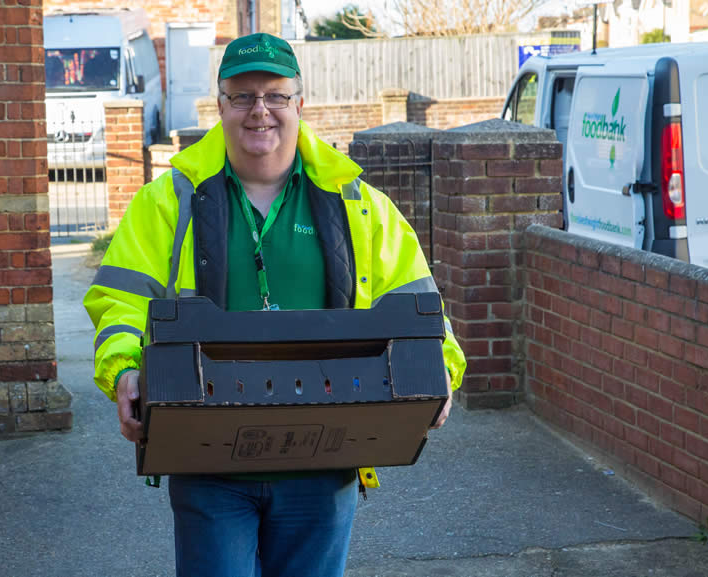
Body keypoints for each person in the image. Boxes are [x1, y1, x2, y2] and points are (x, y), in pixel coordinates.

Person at [83, 32, 466, 577]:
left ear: (299, 104)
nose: (259, 110)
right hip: (207, 455)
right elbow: (120, 300)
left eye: (275, 95)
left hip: (325, 454)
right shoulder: (168, 202)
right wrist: (124, 367)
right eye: (242, 96)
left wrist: (441, 368)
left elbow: (418, 302)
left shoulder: (358, 205)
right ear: (220, 106)